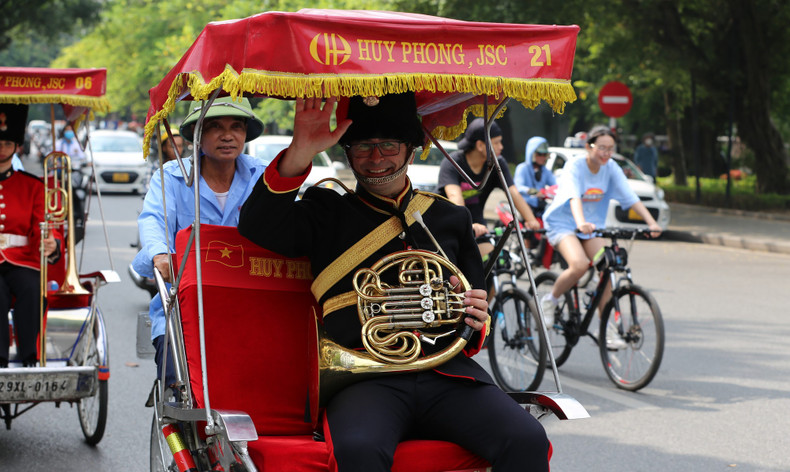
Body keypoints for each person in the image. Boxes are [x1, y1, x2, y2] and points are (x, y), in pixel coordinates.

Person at [238, 93, 550, 472]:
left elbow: (474, 314)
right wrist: (299, 151)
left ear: (411, 150)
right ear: (348, 153)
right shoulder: (325, 210)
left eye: (388, 145)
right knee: (359, 450)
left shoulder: (450, 217)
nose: (375, 159)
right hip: (364, 380)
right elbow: (257, 226)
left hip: (447, 374)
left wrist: (474, 314)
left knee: (528, 439)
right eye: (362, 147)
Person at [132, 96, 266, 394]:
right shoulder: (171, 177)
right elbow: (153, 220)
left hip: (250, 306)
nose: (227, 135)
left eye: (236, 126)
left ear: (245, 134)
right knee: (178, 389)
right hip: (183, 306)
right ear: (197, 135)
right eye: (215, 126)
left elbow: (288, 219)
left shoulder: (263, 176)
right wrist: (161, 254)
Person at [540, 125, 661, 347]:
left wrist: (651, 222)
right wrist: (580, 223)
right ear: (589, 147)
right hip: (564, 223)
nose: (606, 153)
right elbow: (573, 197)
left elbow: (630, 197)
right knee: (579, 265)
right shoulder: (574, 167)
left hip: (591, 226)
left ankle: (608, 330)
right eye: (601, 148)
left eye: (610, 149)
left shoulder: (611, 167)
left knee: (608, 269)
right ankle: (550, 300)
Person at [0, 104, 59, 368]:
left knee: (33, 289)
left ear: (16, 146)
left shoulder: (32, 186)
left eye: (7, 142)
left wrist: (51, 242)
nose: (1, 148)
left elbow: (44, 223)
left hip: (22, 260)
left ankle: (29, 359)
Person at [437, 117, 539, 257]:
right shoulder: (452, 163)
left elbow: (513, 192)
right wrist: (468, 224)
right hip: (449, 225)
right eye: (496, 143)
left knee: (492, 262)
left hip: (477, 224)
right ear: (480, 145)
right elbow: (455, 197)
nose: (501, 147)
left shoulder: (497, 164)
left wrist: (531, 220)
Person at [514, 136, 556, 218]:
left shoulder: (545, 171)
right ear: (532, 153)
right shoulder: (522, 168)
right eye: (539, 154)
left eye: (545, 154)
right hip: (525, 205)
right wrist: (532, 191)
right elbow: (517, 187)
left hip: (541, 205)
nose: (542, 157)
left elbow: (555, 184)